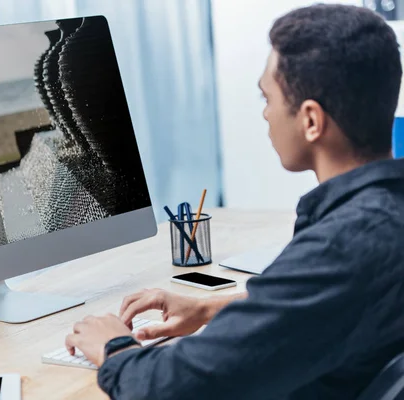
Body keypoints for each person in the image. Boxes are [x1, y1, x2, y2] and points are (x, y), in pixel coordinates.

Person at [64, 4, 404, 399]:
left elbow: (170, 388)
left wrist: (113, 345)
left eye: (268, 98)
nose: (265, 115)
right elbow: (324, 306)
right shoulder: (382, 217)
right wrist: (210, 309)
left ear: (311, 120)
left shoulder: (343, 244)